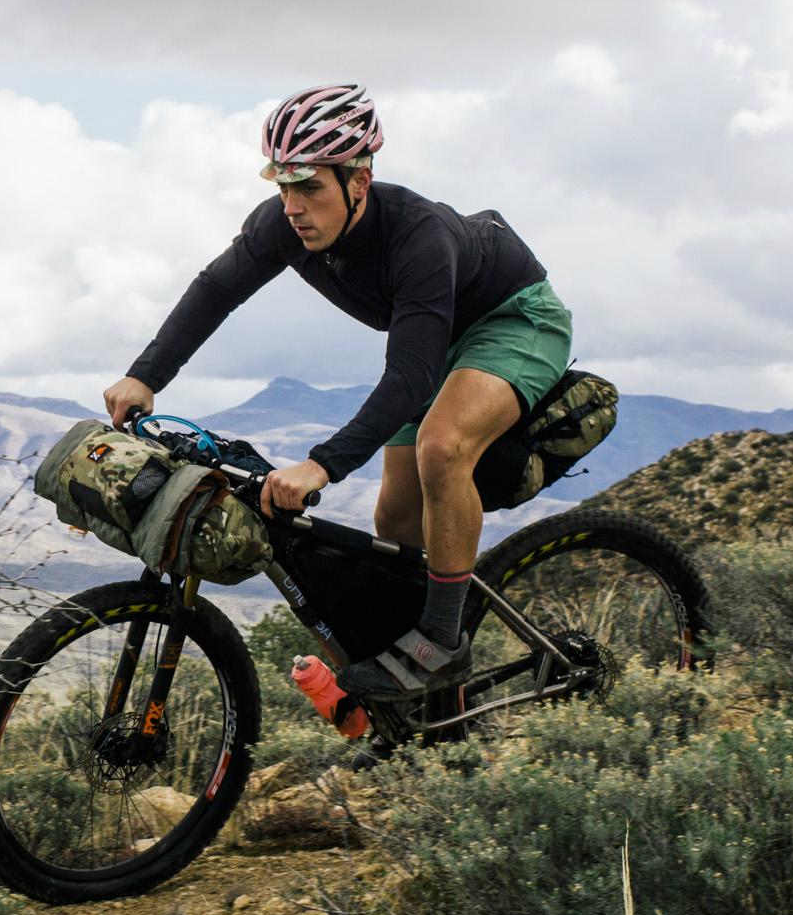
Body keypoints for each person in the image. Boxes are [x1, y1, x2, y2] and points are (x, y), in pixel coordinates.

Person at [102, 82, 572, 716]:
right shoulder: (282, 226)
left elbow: (407, 378)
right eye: (283, 186)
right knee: (396, 528)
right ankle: (434, 719)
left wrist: (321, 465)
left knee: (441, 447)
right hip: (434, 339)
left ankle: (442, 643)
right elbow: (216, 290)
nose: (293, 206)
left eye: (310, 187)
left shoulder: (420, 239)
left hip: (513, 321)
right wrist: (146, 375)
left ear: (359, 179)